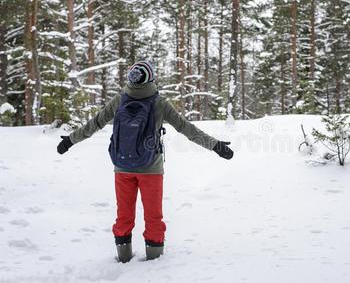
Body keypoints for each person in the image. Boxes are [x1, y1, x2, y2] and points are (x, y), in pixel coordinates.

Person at [57, 61, 233, 263]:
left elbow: (95, 123)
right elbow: (186, 128)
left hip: (122, 167)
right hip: (151, 169)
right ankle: (154, 263)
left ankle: (123, 259)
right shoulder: (159, 102)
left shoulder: (120, 100)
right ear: (150, 78)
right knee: (153, 217)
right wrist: (215, 145)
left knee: (123, 216)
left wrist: (71, 140)